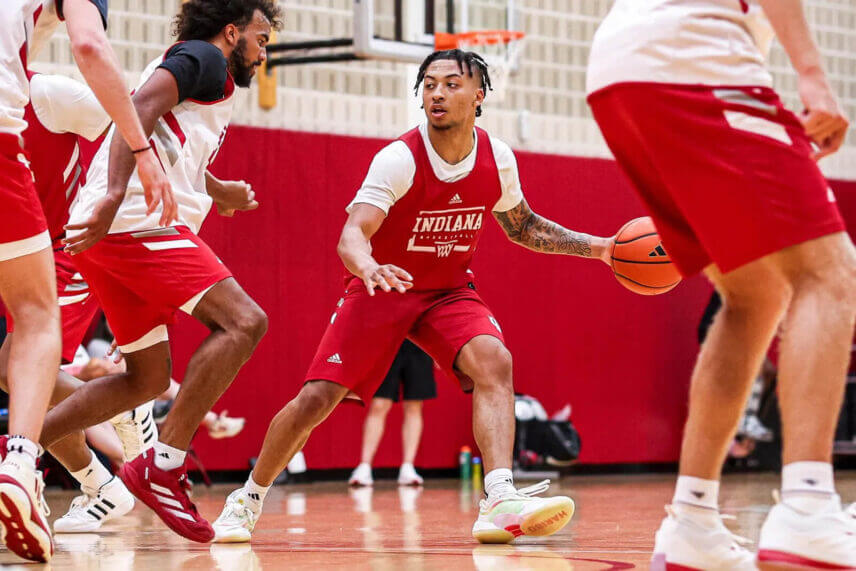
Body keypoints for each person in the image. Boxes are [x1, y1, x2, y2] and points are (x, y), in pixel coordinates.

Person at [212, 48, 614, 545]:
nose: (437, 93)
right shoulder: (399, 158)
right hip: (384, 287)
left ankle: (499, 499)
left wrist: (601, 248)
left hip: (447, 291)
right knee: (316, 399)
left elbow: (523, 226)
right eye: (429, 85)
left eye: (451, 84)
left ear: (479, 95)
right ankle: (248, 498)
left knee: (494, 360)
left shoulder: (498, 159)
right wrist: (369, 267)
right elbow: (352, 234)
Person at [587, 0, 855, 568]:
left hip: (618, 72)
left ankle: (693, 523)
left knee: (755, 297)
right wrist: (813, 74)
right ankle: (809, 507)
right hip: (694, 57)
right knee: (830, 273)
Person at [32, 0, 280, 544]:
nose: (264, 53)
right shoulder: (205, 58)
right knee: (245, 322)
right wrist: (114, 193)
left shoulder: (204, 78)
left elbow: (167, 140)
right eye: (261, 40)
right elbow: (140, 106)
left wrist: (219, 191)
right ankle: (162, 464)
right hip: (132, 222)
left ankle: (19, 452)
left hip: (116, 228)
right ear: (231, 32)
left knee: (145, 379)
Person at [0, 1, 173, 561]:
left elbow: (130, 126)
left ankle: (106, 427)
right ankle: (102, 473)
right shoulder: (17, 86)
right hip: (22, 244)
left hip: (69, 248)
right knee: (16, 371)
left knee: (18, 362)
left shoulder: (51, 94)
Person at [349, 340, 436, 487]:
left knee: (414, 405)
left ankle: (408, 466)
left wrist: (438, 350)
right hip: (388, 342)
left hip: (420, 343)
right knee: (379, 404)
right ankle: (364, 466)